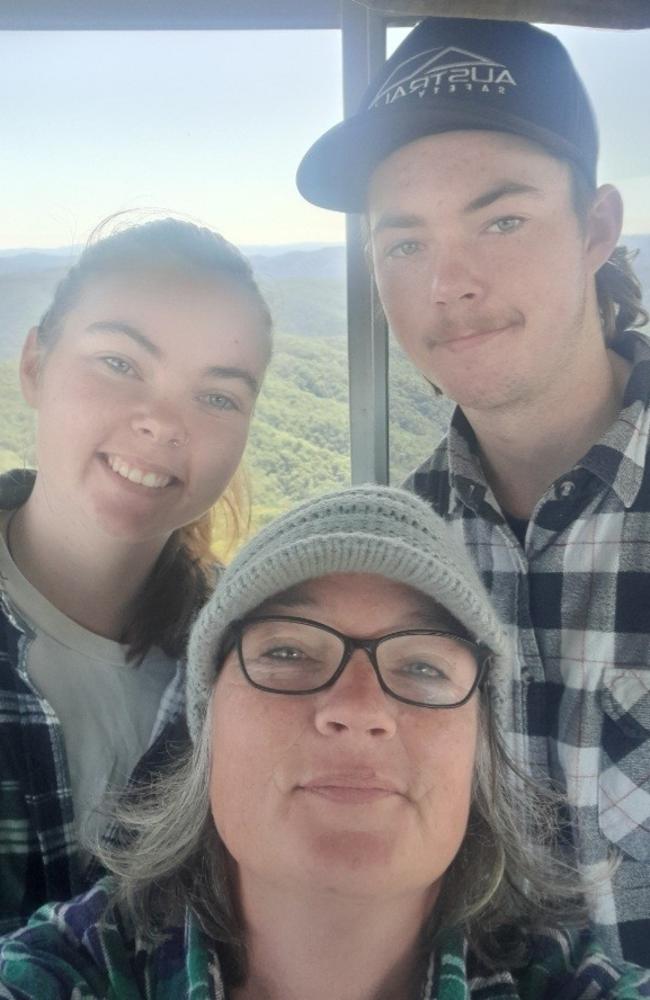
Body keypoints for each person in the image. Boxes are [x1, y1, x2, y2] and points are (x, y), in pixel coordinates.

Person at [296, 17, 650, 965]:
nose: (450, 283)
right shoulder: (389, 563)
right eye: (404, 243)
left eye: (501, 219)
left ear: (598, 229)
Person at [0, 485, 648, 998]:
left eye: (423, 667)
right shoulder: (69, 971)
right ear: (207, 722)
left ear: (480, 748)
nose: (359, 709)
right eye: (287, 651)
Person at [0, 216, 272, 934]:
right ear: (35, 365)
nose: (161, 421)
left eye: (217, 396)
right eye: (120, 363)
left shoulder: (252, 670)